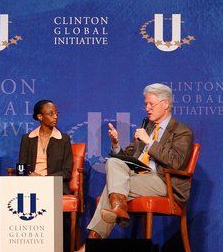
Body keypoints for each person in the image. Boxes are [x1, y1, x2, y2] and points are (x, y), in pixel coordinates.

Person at [78, 83, 194, 251]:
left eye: (151, 104)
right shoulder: (147, 127)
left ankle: (90, 245)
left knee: (112, 188)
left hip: (163, 181)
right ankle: (118, 208)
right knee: (113, 162)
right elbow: (128, 159)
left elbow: (176, 162)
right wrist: (116, 144)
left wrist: (149, 142)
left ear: (166, 104)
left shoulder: (182, 131)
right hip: (137, 175)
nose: (147, 108)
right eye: (145, 104)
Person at [18, 99, 73, 193]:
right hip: (31, 184)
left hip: (54, 185)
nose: (55, 117)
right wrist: (30, 174)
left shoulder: (64, 139)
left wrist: (45, 179)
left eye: (56, 113)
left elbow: (67, 172)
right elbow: (21, 168)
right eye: (51, 114)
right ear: (40, 116)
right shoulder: (27, 138)